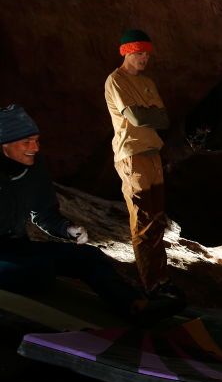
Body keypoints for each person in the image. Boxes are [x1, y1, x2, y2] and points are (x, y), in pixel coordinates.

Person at [0, 104, 182, 324]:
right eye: (26, 142)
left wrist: (67, 229)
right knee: (37, 273)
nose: (35, 148)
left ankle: (135, 305)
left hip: (17, 246)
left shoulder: (33, 167)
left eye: (36, 140)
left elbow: (44, 213)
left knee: (88, 257)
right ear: (4, 145)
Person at [104, 29, 182, 300]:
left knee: (157, 217)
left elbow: (163, 119)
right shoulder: (116, 81)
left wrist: (148, 113)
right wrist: (148, 112)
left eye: (147, 53)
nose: (144, 58)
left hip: (152, 152)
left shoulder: (147, 81)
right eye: (138, 53)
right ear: (126, 52)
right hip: (131, 154)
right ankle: (151, 283)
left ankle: (162, 278)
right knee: (143, 219)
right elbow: (137, 118)